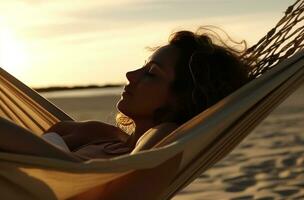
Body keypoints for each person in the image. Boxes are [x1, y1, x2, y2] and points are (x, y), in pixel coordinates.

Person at [0, 26, 250, 162]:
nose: (131, 75)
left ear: (181, 97)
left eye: (151, 73)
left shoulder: (161, 137)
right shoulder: (102, 136)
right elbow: (59, 132)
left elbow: (129, 173)